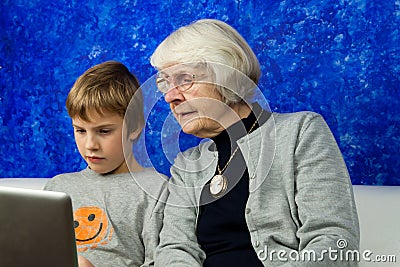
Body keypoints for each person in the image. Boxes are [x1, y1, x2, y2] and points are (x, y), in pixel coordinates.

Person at [150, 19, 360, 266]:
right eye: (165, 83)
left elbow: (334, 239)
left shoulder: (300, 131)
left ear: (226, 76)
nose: (170, 97)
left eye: (184, 79)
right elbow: (174, 248)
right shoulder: (187, 165)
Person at [45, 61, 167, 267]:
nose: (90, 145)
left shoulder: (156, 188)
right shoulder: (59, 187)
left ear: (135, 126)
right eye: (80, 131)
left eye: (104, 131)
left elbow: (160, 262)